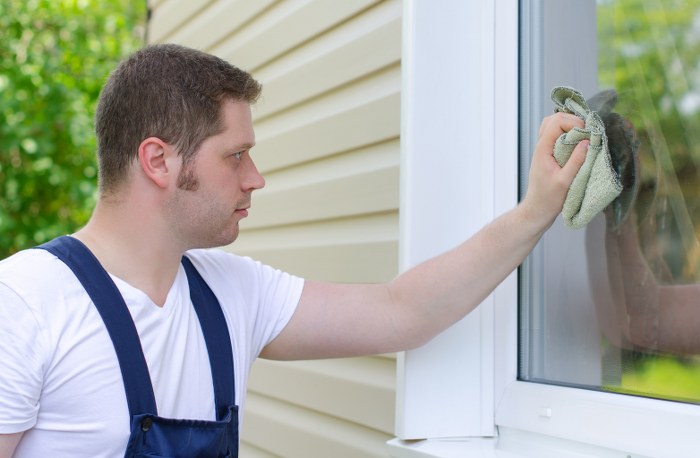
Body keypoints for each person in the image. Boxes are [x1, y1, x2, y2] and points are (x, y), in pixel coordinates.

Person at [0, 43, 587, 457]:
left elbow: (404, 312)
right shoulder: (24, 304)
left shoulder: (231, 293)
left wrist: (535, 210)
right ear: (159, 161)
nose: (255, 178)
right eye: (235, 155)